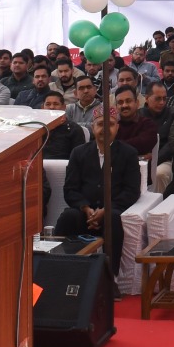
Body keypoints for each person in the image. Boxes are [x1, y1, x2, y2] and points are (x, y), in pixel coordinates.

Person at [55, 110, 140, 273]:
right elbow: (70, 189)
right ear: (93, 127)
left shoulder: (128, 153)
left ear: (117, 128)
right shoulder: (78, 152)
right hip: (84, 212)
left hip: (112, 210)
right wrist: (85, 208)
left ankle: (110, 277)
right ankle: (60, 271)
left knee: (112, 219)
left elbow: (131, 191)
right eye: (100, 124)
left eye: (111, 124)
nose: (105, 129)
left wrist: (105, 210)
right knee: (68, 217)